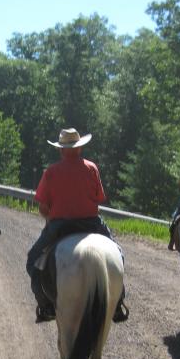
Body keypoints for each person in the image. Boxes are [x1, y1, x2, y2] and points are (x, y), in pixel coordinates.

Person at [26, 127, 127, 323]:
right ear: (79, 148)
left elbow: (43, 208)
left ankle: (46, 305)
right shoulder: (92, 168)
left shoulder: (51, 172)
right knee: (118, 254)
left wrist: (51, 217)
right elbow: (98, 199)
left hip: (60, 225)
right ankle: (118, 302)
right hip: (91, 224)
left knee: (32, 260)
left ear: (61, 150)